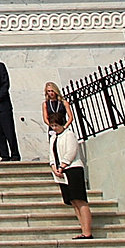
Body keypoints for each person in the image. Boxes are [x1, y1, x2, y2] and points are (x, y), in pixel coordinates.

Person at [44, 84, 92, 239]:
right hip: (61, 172)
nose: (54, 128)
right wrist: (54, 167)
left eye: (56, 125)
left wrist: (62, 165)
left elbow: (71, 151)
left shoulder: (69, 134)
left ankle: (87, 231)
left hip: (73, 170)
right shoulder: (53, 137)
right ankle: (82, 229)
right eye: (52, 126)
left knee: (80, 200)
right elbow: (52, 154)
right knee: (73, 201)